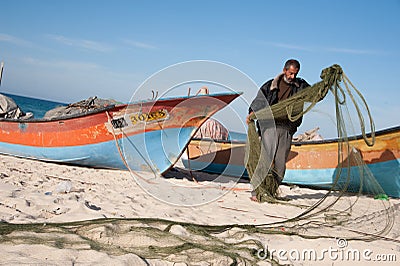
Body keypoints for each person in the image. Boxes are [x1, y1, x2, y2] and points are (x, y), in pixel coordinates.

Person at [246, 59, 310, 201]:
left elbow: (314, 94)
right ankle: (257, 192)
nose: (292, 76)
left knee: (280, 165)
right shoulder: (271, 85)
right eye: (291, 73)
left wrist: (326, 84)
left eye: (295, 74)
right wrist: (251, 113)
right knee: (265, 160)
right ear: (284, 70)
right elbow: (259, 101)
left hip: (287, 129)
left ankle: (270, 191)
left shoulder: (300, 86)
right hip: (269, 126)